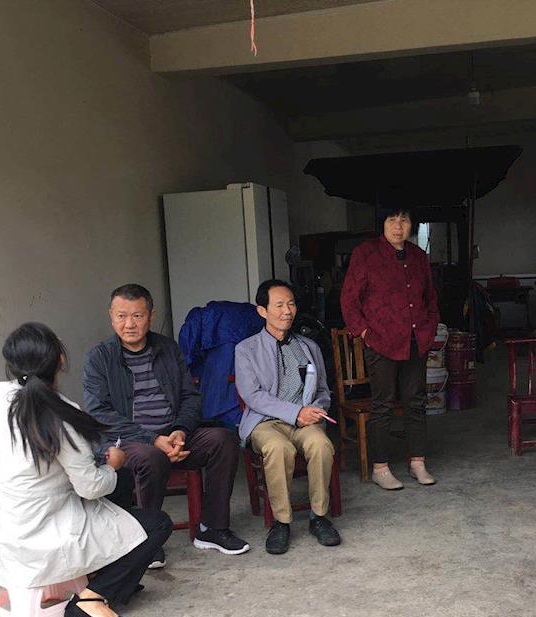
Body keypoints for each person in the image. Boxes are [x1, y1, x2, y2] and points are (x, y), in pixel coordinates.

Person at [0, 322, 173, 617]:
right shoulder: (62, 412)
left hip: (6, 535)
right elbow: (91, 487)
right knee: (156, 523)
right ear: (60, 360)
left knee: (118, 497)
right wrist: (114, 465)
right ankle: (92, 598)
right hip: (47, 538)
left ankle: (106, 573)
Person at [83, 283, 249, 557]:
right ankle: (145, 539)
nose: (129, 324)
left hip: (173, 435)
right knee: (151, 457)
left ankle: (212, 528)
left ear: (150, 315)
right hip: (130, 441)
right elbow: (99, 412)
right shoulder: (99, 358)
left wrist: (180, 431)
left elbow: (191, 397)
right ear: (111, 317)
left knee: (224, 439)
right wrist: (153, 440)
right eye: (122, 316)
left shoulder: (168, 349)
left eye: (137, 316)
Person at [235, 279, 341, 554]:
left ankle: (319, 517)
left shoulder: (309, 346)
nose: (287, 311)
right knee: (277, 448)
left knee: (321, 444)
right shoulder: (246, 349)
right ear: (262, 311)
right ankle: (281, 522)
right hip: (265, 422)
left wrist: (317, 409)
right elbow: (252, 395)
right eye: (279, 305)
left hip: (306, 419)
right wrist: (295, 413)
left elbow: (322, 390)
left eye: (291, 304)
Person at [340, 207, 440, 490]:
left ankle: (417, 462)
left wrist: (430, 328)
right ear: (381, 224)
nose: (398, 226)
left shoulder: (418, 256)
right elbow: (349, 299)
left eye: (404, 220)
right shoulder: (365, 253)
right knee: (382, 404)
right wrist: (363, 331)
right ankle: (380, 467)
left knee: (415, 401)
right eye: (392, 220)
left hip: (415, 340)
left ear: (411, 224)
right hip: (381, 341)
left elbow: (430, 298)